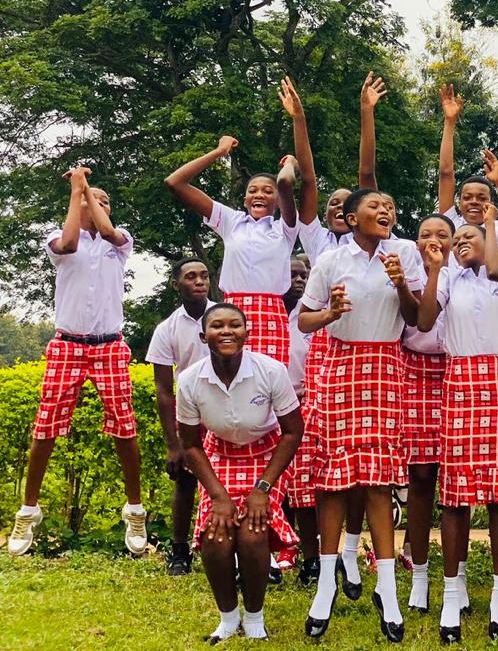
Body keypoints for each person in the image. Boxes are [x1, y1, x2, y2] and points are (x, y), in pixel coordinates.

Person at [298, 188, 423, 643]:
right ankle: (326, 586)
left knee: (379, 480)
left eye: (389, 205)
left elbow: (417, 319)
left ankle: (388, 591)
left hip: (386, 367)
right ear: (352, 219)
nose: (385, 209)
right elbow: (304, 320)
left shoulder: (403, 253)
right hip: (340, 367)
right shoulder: (332, 260)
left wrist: (402, 284)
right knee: (334, 480)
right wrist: (330, 313)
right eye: (375, 205)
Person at [282, 73, 387, 588]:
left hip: (370, 351)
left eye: (348, 203)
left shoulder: (382, 245)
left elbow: (367, 174)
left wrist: (367, 113)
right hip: (327, 353)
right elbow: (307, 182)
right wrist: (299, 121)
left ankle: (351, 549)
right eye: (332, 205)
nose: (336, 208)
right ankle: (327, 555)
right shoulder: (320, 243)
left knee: (367, 460)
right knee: (333, 460)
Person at [9, 167, 146, 558]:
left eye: (105, 201)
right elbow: (69, 244)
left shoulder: (119, 242)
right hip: (67, 344)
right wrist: (77, 191)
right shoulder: (57, 238)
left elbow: (107, 230)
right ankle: (28, 511)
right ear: (77, 205)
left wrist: (86, 190)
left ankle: (135, 510)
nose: (99, 204)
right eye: (92, 199)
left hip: (109, 345)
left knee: (124, 427)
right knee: (45, 427)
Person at [416, 203, 498, 644]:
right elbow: (423, 320)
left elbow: (495, 268)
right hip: (457, 381)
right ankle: (451, 593)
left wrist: (490, 225)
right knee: (455, 496)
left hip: (496, 379)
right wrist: (435, 270)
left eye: (467, 238)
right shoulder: (449, 280)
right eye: (455, 240)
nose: (460, 243)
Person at [176, 303, 303, 643]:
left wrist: (262, 488)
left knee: (252, 533)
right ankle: (228, 619)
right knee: (215, 537)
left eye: (235, 325)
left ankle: (255, 618)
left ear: (247, 333)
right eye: (217, 326)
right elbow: (191, 445)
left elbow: (293, 432)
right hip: (219, 456)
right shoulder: (189, 380)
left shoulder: (271, 370)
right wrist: (218, 496)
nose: (226, 331)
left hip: (267, 455)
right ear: (203, 336)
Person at [164, 134, 298, 366]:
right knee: (228, 376)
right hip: (232, 312)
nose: (259, 195)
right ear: (245, 200)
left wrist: (291, 165)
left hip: (271, 315)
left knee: (270, 379)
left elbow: (285, 183)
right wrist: (218, 152)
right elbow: (175, 183)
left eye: (268, 191)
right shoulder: (231, 221)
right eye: (253, 190)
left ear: (278, 201)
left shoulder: (286, 229)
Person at [400, 213, 455, 614]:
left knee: (456, 480)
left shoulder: (465, 275)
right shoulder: (406, 274)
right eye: (425, 234)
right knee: (420, 475)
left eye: (442, 233)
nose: (433, 239)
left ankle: (458, 575)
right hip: (413, 371)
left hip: (454, 371)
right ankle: (417, 569)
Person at [147, 257, 215, 575]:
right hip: (190, 413)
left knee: (231, 480)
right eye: (191, 276)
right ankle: (179, 552)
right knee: (186, 482)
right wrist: (173, 444)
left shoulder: (223, 317)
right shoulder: (167, 329)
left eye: (204, 275)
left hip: (225, 408)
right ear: (177, 285)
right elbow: (164, 390)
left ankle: (231, 550)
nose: (199, 281)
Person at [437, 83, 498, 261]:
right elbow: (446, 174)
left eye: (482, 198)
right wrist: (449, 123)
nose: (474, 202)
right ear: (459, 202)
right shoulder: (451, 225)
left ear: (491, 203)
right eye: (467, 197)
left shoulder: (497, 228)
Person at [277, 254, 314, 577]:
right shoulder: (269, 315)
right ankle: (283, 545)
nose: (299, 280)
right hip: (272, 406)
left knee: (305, 480)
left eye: (304, 275)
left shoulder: (311, 314)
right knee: (279, 478)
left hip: (305, 402)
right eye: (292, 275)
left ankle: (311, 551)